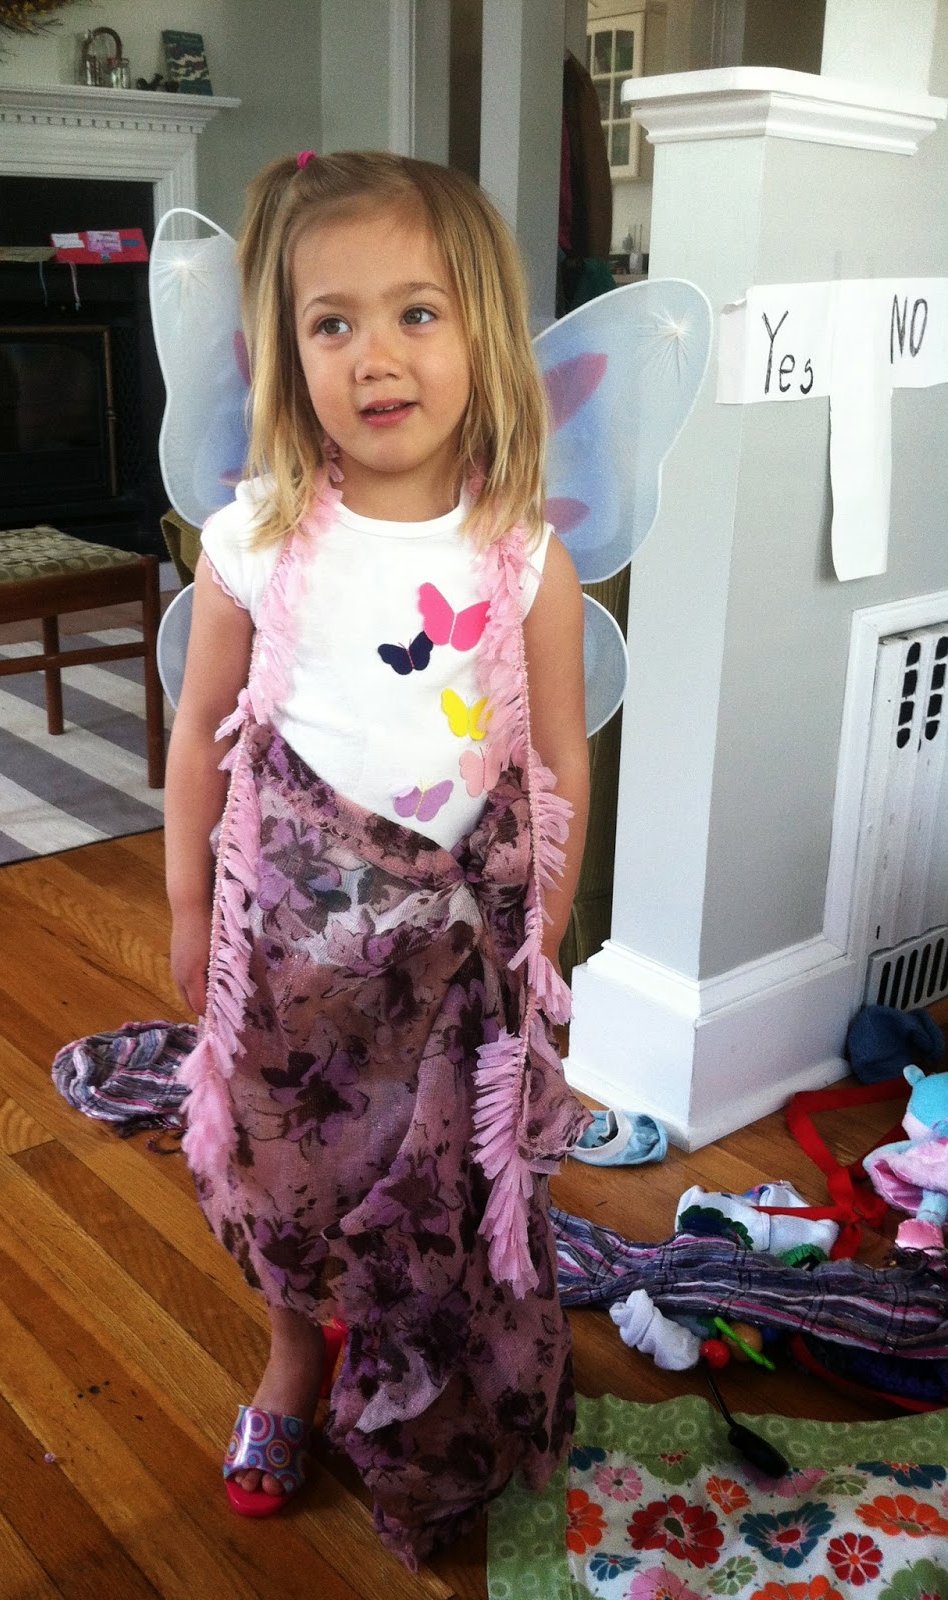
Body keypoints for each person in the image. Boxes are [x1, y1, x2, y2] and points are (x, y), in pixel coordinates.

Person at [164, 149, 591, 1570]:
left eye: (417, 313)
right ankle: (295, 1356)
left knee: (443, 1191)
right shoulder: (255, 540)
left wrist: (547, 935)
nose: (376, 356)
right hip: (293, 968)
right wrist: (186, 908)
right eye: (331, 322)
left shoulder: (522, 557)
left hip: (458, 969)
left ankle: (417, 1370)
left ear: (482, 333)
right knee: (291, 1185)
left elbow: (556, 763)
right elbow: (201, 744)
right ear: (286, 356)